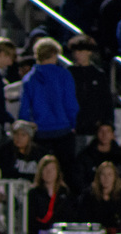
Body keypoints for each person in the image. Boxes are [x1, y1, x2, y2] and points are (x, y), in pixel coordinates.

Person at [19, 37, 79, 183]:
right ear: (54, 54)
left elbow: (24, 111)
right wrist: (73, 124)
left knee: (42, 175)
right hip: (63, 132)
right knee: (66, 174)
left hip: (40, 135)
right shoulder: (64, 75)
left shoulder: (29, 79)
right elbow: (71, 104)